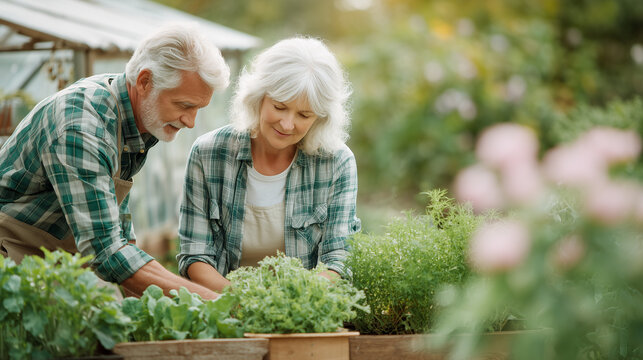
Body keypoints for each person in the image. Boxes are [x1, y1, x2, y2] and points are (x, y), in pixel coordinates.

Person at [0, 23, 229, 300]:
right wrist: (213, 301)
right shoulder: (82, 126)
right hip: (11, 252)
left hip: (58, 255)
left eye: (198, 109)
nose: (191, 122)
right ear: (145, 81)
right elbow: (106, 253)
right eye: (184, 106)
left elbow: (118, 237)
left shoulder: (134, 117)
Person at [177, 37, 361, 293]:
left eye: (304, 115)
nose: (287, 124)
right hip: (225, 307)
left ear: (320, 118)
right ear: (259, 97)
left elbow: (338, 260)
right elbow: (195, 256)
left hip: (300, 311)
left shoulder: (336, 163)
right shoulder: (209, 154)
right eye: (279, 107)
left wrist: (291, 303)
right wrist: (243, 300)